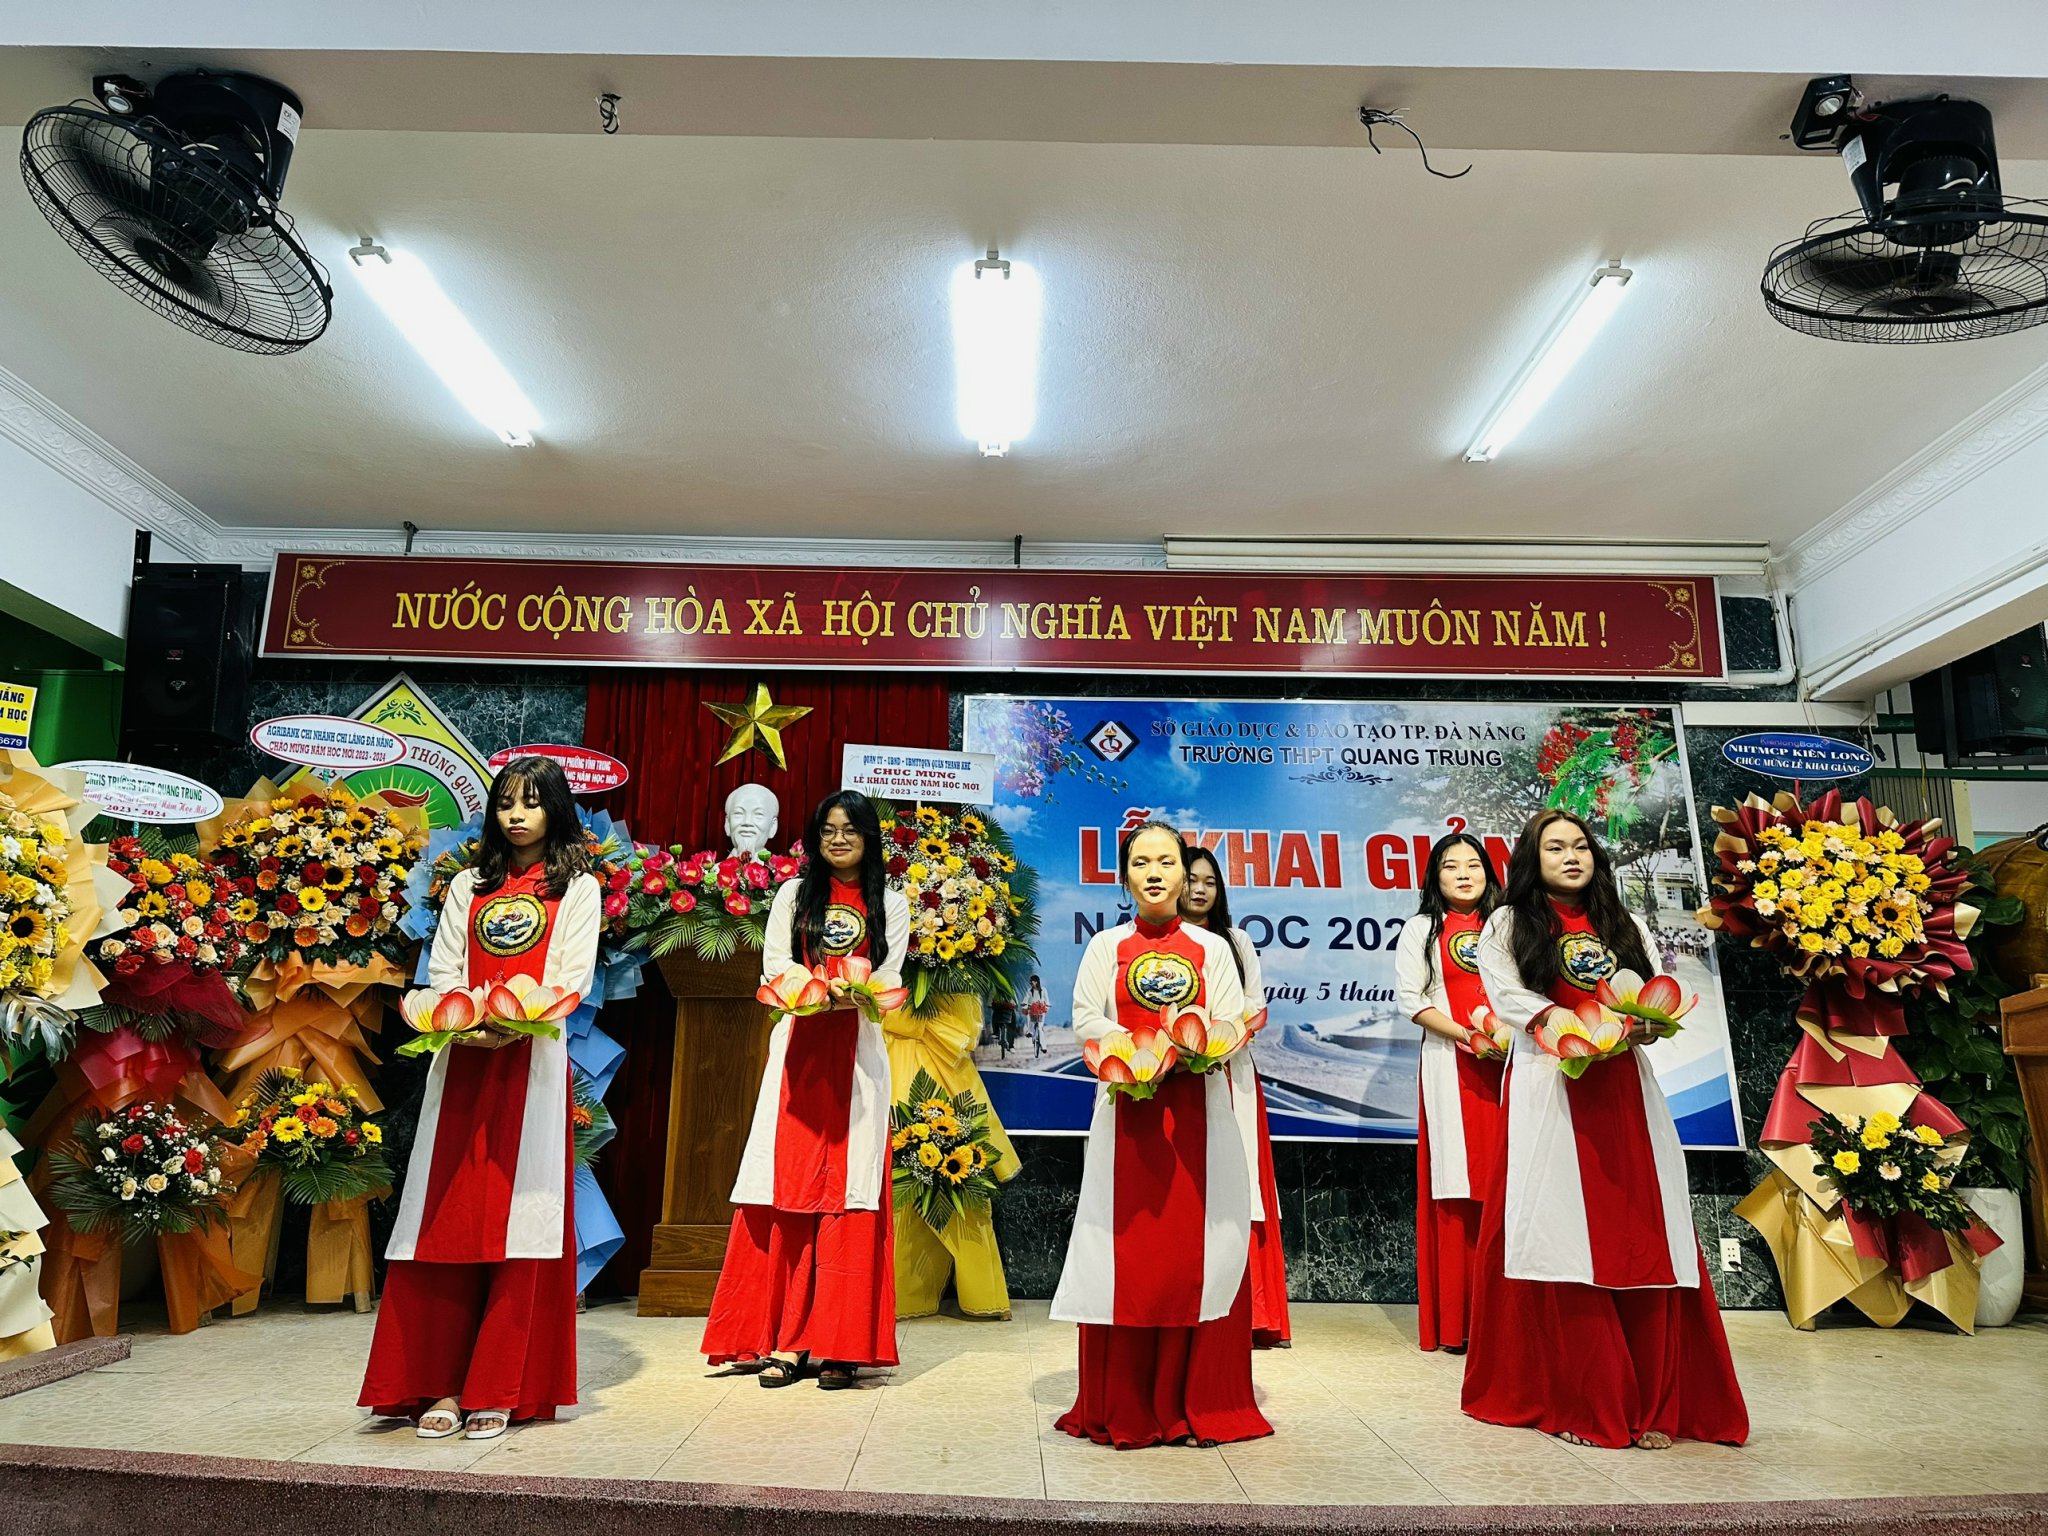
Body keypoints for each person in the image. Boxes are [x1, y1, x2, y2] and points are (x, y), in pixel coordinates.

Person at [1462, 810, 1748, 1450]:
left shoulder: (1624, 922)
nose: (1571, 856)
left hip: (1625, 1089)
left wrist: (1643, 1024)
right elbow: (1509, 999)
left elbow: (1647, 995)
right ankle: (1583, 1399)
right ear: (1531, 859)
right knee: (1561, 1234)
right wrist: (1571, 1028)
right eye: (1554, 847)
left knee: (1641, 1231)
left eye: (1580, 846)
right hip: (1550, 1083)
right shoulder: (1507, 923)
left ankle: (1653, 1400)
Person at [361, 756, 601, 1441]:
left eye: (532, 802)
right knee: (448, 1216)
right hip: (462, 1058)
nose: (517, 815)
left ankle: (498, 1385)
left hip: (533, 1060)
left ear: (556, 809)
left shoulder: (578, 887)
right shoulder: (469, 883)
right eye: (505, 803)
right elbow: (443, 970)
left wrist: (517, 1020)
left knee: (521, 1217)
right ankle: (437, 1384)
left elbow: (573, 975)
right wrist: (465, 1021)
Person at [1051, 821, 1270, 1449]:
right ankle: (1124, 1403)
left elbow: (1230, 1020)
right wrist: (1141, 1051)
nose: (1154, 872)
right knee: (1129, 1252)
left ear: (1183, 873)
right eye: (1141, 862)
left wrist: (1186, 1048)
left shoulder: (1212, 947)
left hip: (1200, 1116)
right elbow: (1086, 1019)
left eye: (1166, 861)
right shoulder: (1106, 946)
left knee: (1194, 1253)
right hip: (1127, 1110)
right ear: (1124, 876)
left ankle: (1191, 1400)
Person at [701, 789, 911, 1390]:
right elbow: (774, 965)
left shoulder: (890, 902)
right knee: (789, 1189)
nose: (839, 840)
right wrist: (817, 989)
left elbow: (890, 974)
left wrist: (853, 991)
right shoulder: (794, 895)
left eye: (851, 830)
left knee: (850, 1196)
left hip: (858, 1059)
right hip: (799, 1050)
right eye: (828, 830)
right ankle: (788, 1343)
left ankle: (842, 1345)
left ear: (869, 838)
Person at [1393, 832, 1507, 1354]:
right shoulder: (1422, 929)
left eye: (1473, 864)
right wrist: (1469, 1036)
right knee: (1460, 1184)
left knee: (1512, 1180)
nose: (1463, 874)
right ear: (1434, 878)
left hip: (1513, 1066)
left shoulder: (1510, 924)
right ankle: (1463, 1321)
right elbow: (1411, 1000)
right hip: (1452, 1064)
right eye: (1450, 866)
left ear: (1489, 872)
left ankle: (1512, 1319)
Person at [1181, 845, 1290, 1350]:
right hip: (1170, 1075)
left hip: (1228, 1071)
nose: (1200, 889)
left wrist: (1214, 1045)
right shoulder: (1156, 945)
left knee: (1240, 1186)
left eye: (1210, 881)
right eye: (1191, 879)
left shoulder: (1237, 940)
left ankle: (1250, 1312)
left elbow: (1252, 1007)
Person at [1023, 974, 1050, 1057]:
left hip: (1041, 1011)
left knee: (1040, 1028)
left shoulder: (1043, 990)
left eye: (1033, 981)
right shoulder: (1029, 991)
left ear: (1037, 982)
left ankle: (1043, 1047)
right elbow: (1025, 999)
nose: (1031, 982)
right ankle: (1030, 1031)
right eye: (1030, 981)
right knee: (1029, 1017)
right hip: (1032, 1010)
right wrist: (1024, 1005)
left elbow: (1047, 1000)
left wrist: (1047, 1006)